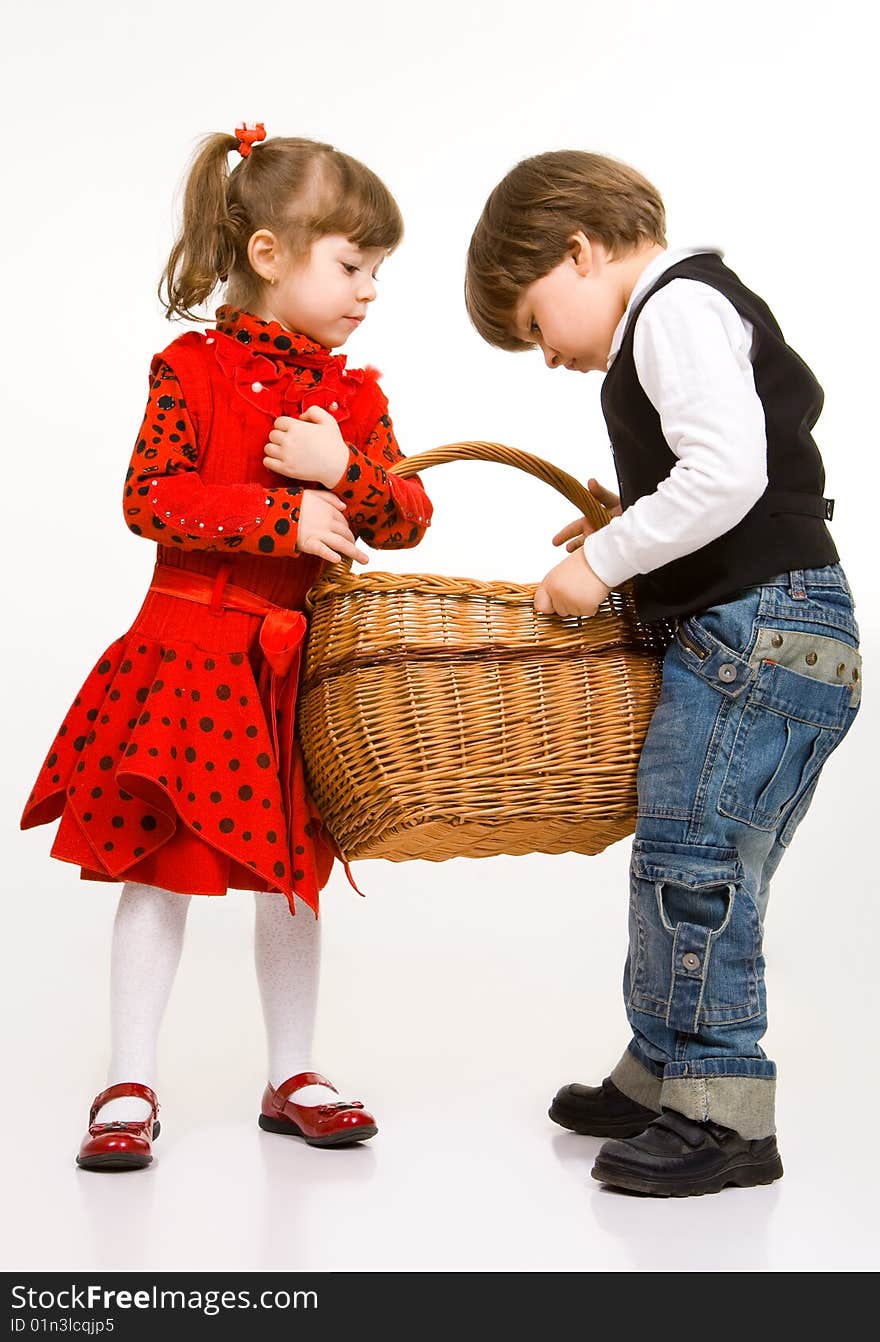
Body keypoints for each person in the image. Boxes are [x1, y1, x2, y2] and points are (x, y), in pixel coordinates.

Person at [21, 124, 432, 1171]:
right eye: (352, 265)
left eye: (376, 270)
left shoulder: (352, 400)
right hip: (188, 654)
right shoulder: (190, 367)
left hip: (290, 673)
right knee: (159, 863)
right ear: (269, 257)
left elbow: (410, 516)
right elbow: (149, 496)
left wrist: (347, 470)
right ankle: (130, 1074)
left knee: (290, 872)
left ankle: (291, 1068)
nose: (368, 290)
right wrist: (277, 520)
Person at [465, 150, 861, 1197]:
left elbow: (727, 473)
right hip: (759, 630)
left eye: (534, 322)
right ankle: (663, 1067)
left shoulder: (676, 307)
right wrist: (626, 519)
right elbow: (713, 473)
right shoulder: (680, 312)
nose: (544, 354)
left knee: (700, 867)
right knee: (682, 849)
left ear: (579, 252)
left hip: (761, 631)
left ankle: (722, 1106)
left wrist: (600, 562)